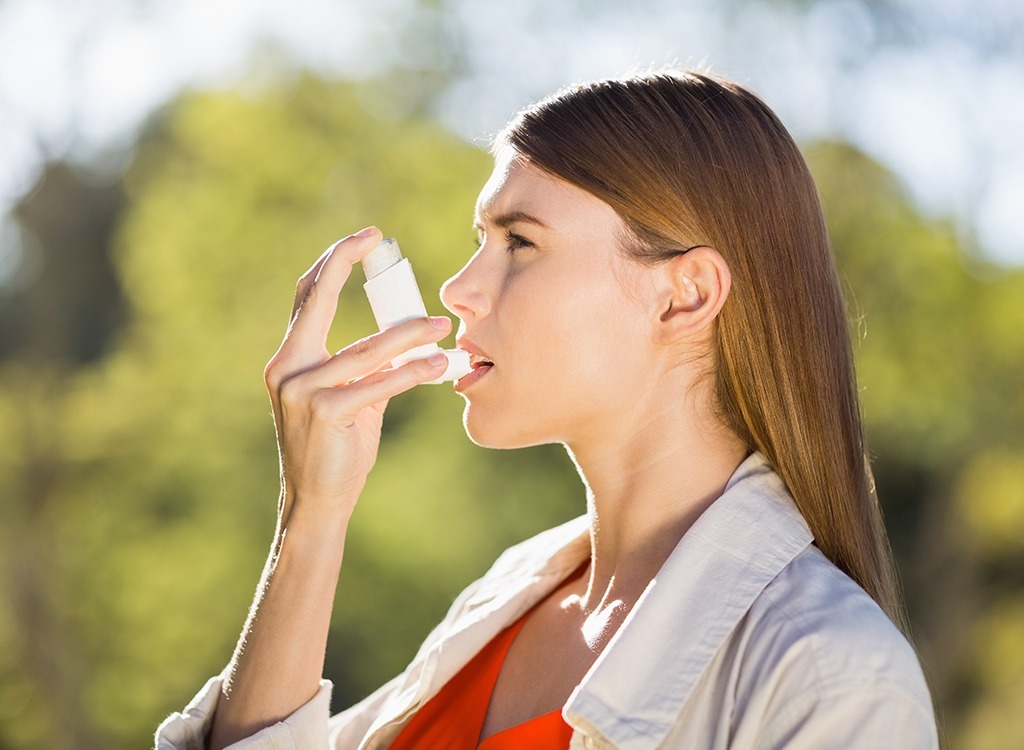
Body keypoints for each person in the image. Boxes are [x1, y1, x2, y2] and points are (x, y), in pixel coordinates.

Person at [156, 70, 939, 749]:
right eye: (479, 239)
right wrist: (311, 518)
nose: (458, 289)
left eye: (519, 242)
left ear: (685, 294)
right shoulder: (500, 605)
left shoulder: (830, 677)